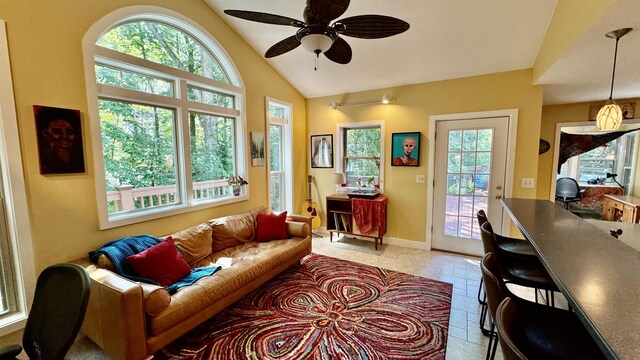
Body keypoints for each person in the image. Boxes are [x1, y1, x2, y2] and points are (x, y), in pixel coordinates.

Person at [36, 106, 85, 174]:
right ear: (45, 133)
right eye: (56, 131)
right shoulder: (44, 163)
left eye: (69, 131)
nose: (65, 136)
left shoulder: (81, 159)